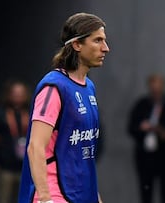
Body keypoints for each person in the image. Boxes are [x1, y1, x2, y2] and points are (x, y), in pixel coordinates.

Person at [18, 12, 109, 203]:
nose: (105, 48)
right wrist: (45, 198)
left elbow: (84, 153)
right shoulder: (54, 87)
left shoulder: (89, 88)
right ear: (77, 44)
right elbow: (35, 147)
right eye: (97, 40)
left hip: (83, 194)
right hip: (56, 194)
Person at [128, 73, 165, 203]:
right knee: (146, 191)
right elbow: (131, 127)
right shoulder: (142, 104)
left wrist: (157, 128)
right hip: (145, 156)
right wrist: (141, 128)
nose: (156, 89)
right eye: (153, 86)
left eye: (158, 85)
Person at [0, 79, 31, 203]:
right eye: (15, 94)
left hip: (25, 167)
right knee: (3, 198)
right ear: (9, 95)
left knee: (23, 199)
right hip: (5, 166)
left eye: (21, 94)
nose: (18, 97)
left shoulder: (31, 113)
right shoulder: (0, 114)